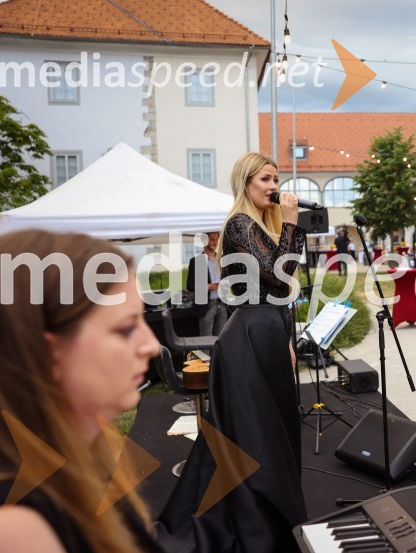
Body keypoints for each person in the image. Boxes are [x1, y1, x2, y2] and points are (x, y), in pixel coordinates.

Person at [158, 152, 307, 551]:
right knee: (253, 435)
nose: (274, 187)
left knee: (274, 428)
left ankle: (273, 513)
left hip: (269, 332)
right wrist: (291, 225)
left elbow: (282, 287)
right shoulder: (239, 224)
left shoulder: (264, 226)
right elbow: (277, 281)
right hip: (248, 336)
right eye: (265, 179)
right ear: (246, 183)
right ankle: (256, 520)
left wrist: (287, 340)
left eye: (276, 179)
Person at [0, 230, 162, 553]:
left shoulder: (78, 457)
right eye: (125, 328)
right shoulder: (11, 524)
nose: (151, 345)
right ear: (46, 352)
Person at [187, 231, 229, 336]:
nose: (215, 243)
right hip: (207, 307)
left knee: (221, 340)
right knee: (206, 341)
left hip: (222, 305)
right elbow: (189, 285)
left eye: (217, 240)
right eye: (212, 240)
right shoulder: (196, 261)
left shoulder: (222, 260)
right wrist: (208, 286)